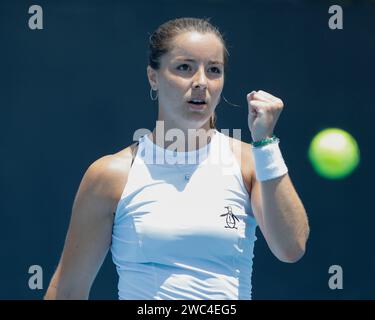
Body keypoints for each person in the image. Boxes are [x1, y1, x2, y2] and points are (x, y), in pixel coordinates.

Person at [44, 17, 309, 300]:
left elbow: (291, 248)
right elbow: (67, 291)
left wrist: (265, 142)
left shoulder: (252, 161)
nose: (201, 82)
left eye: (214, 70)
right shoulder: (111, 174)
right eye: (184, 67)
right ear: (153, 76)